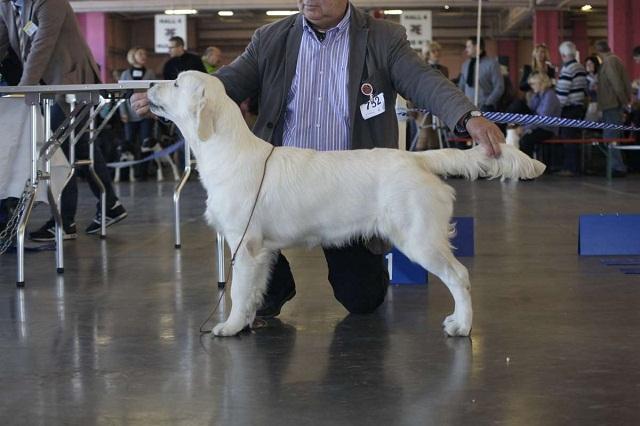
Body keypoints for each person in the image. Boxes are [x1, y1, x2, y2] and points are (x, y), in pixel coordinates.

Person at [132, 0, 505, 317]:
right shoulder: (271, 38)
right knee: (253, 255)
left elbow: (425, 80)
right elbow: (224, 83)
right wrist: (166, 100)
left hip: (350, 185)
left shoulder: (383, 37)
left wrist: (467, 115)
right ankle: (270, 290)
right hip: (276, 181)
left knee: (363, 300)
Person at [0, 0, 127, 240]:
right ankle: (111, 204)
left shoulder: (50, 2)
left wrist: (24, 87)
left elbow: (42, 44)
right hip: (48, 85)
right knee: (80, 145)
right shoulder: (6, 5)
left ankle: (64, 222)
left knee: (57, 148)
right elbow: (1, 42)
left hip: (72, 81)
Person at [594, 40, 631, 177]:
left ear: (598, 51)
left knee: (610, 137)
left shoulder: (609, 62)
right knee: (612, 135)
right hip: (613, 104)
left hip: (612, 105)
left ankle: (618, 167)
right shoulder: (615, 60)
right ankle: (616, 165)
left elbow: (616, 84)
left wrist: (623, 103)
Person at [119, 47, 156, 179]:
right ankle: (127, 174)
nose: (144, 56)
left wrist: (154, 111)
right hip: (129, 114)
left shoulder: (150, 73)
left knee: (146, 143)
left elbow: (154, 93)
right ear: (133, 56)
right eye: (141, 53)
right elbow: (122, 96)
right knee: (129, 144)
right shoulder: (124, 74)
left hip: (147, 113)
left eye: (145, 53)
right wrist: (123, 112)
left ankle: (143, 173)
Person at [554, 41, 588, 176]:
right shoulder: (580, 67)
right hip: (579, 107)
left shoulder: (568, 69)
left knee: (568, 139)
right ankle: (575, 166)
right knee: (574, 137)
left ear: (563, 55)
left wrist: (557, 110)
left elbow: (562, 93)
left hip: (569, 109)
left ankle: (570, 168)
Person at [518, 72, 562, 162]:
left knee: (526, 140)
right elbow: (530, 109)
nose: (532, 86)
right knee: (518, 105)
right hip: (538, 126)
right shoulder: (538, 95)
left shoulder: (550, 95)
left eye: (533, 84)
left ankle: (528, 170)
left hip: (548, 128)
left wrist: (525, 128)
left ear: (541, 83)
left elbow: (543, 118)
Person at [458, 36, 504, 112]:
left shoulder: (492, 64)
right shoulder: (465, 65)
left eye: (469, 46)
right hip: (467, 108)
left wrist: (488, 103)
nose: (466, 49)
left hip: (485, 108)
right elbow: (461, 86)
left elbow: (499, 87)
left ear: (477, 47)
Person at [583, 55, 601, 122]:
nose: (588, 66)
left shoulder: (601, 77)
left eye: (591, 63)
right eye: (587, 64)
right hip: (591, 105)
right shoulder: (585, 78)